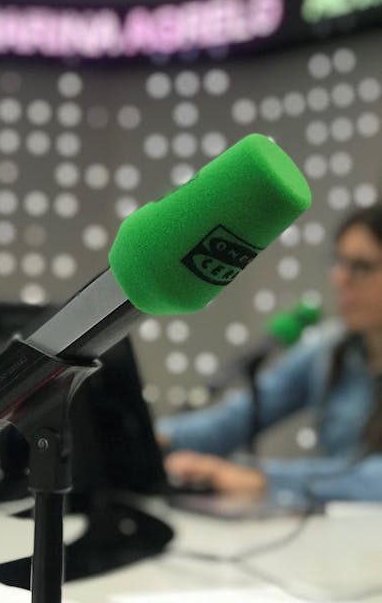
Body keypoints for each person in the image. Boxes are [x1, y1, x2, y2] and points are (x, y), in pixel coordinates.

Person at [157, 204, 382, 504]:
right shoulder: (329, 349)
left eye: (361, 267)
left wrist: (261, 479)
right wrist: (153, 438)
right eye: (338, 263)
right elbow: (233, 422)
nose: (340, 279)